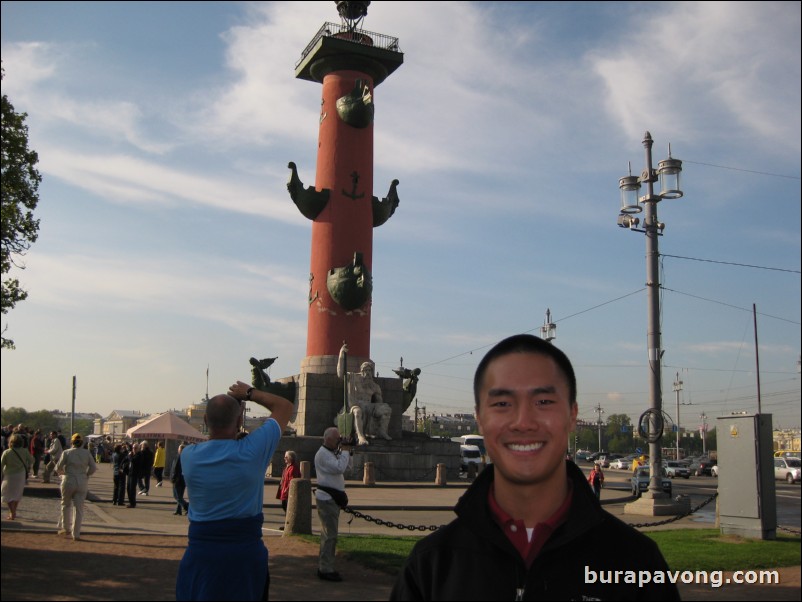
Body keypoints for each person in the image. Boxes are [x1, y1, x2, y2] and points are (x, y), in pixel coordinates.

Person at [390, 334, 680, 601]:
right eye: (502, 403)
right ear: (480, 418)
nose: (523, 421)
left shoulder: (637, 564)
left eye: (544, 401)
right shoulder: (429, 568)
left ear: (572, 414)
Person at [176, 381, 293, 601]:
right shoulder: (253, 451)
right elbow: (285, 406)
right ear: (240, 421)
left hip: (201, 555)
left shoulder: (189, 456)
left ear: (205, 420)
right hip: (244, 556)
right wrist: (249, 393)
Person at [314, 426, 353, 582]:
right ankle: (325, 569)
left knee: (329, 534)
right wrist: (344, 450)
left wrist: (349, 450)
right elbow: (339, 467)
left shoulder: (331, 452)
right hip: (327, 498)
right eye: (337, 439)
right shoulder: (322, 454)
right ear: (328, 439)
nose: (339, 441)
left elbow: (348, 466)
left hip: (332, 498)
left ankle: (326, 566)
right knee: (330, 535)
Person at [337, 342, 392, 445]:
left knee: (386, 409)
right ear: (361, 371)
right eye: (365, 370)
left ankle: (382, 431)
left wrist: (381, 408)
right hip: (355, 405)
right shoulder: (353, 378)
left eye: (369, 371)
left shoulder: (375, 386)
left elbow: (379, 402)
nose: (367, 373)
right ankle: (360, 436)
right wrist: (341, 355)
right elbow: (340, 373)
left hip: (370, 406)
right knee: (357, 412)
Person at [55, 433, 97, 540]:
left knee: (65, 504)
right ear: (82, 442)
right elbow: (93, 467)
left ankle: (65, 527)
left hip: (69, 478)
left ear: (72, 442)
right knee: (79, 508)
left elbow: (58, 467)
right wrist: (87, 474)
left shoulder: (67, 452)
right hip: (82, 480)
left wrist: (62, 473)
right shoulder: (86, 453)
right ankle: (76, 533)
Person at [1, 433, 33, 520]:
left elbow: (1, 464)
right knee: (17, 494)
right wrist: (26, 465)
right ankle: (13, 512)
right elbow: (32, 460)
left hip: (9, 475)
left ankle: (12, 512)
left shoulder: (7, 452)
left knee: (7, 494)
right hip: (20, 475)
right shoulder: (25, 451)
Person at [276, 450, 301, 528]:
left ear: (290, 458)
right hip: (284, 490)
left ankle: (289, 525)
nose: (284, 458)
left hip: (288, 491)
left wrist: (287, 489)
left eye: (286, 457)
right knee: (285, 506)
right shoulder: (287, 467)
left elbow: (292, 480)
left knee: (287, 507)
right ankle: (288, 524)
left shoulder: (293, 468)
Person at [170, 443, 189, 516]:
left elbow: (175, 469)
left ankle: (188, 507)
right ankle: (178, 510)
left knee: (177, 496)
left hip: (177, 479)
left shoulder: (178, 457)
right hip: (183, 479)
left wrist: (173, 478)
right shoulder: (186, 458)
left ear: (180, 450)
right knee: (180, 496)